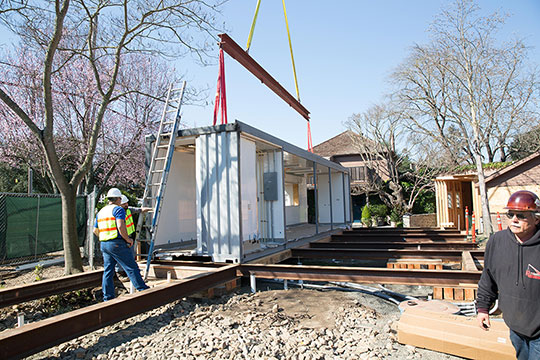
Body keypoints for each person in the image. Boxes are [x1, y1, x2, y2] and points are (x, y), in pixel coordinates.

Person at [476, 190, 540, 360]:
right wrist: (483, 308)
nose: (514, 219)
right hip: (515, 326)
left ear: (537, 218)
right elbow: (488, 277)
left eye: (521, 215)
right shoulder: (497, 241)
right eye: (510, 214)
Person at [93, 188, 149, 301]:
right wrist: (127, 239)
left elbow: (95, 231)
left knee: (108, 271)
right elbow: (120, 226)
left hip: (104, 244)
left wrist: (105, 238)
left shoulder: (101, 211)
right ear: (118, 199)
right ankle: (143, 290)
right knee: (131, 267)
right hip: (117, 243)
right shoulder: (118, 210)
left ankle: (108, 297)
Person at [115, 194, 152, 275]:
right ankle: (120, 272)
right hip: (122, 237)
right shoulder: (117, 212)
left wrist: (148, 209)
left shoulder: (128, 210)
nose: (126, 205)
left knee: (130, 254)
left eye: (127, 203)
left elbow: (138, 210)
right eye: (124, 204)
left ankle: (129, 272)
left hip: (129, 236)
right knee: (121, 255)